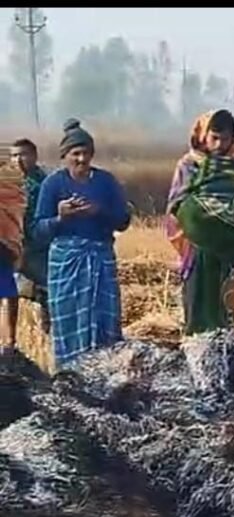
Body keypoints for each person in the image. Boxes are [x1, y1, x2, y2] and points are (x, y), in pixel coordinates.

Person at [34, 119, 131, 368]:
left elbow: (123, 221)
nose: (81, 159)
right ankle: (69, 373)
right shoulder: (53, 184)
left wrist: (99, 212)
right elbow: (38, 231)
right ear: (64, 155)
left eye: (86, 153)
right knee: (68, 320)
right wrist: (60, 218)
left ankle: (106, 371)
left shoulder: (106, 182)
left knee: (104, 320)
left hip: (100, 258)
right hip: (66, 263)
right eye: (75, 153)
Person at [166, 110, 234, 336]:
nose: (220, 145)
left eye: (226, 139)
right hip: (198, 245)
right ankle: (196, 341)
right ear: (203, 135)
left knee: (225, 297)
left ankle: (225, 342)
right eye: (215, 138)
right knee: (198, 294)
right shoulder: (189, 165)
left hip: (230, 244)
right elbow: (178, 204)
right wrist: (203, 215)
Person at [12, 138, 50, 334]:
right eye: (14, 155)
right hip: (13, 245)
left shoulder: (45, 184)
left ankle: (47, 334)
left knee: (46, 291)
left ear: (34, 156)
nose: (18, 160)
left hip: (38, 248)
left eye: (23, 154)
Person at [0, 150, 25, 355]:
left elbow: (16, 208)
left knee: (8, 292)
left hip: (4, 244)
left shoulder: (10, 183)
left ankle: (10, 342)